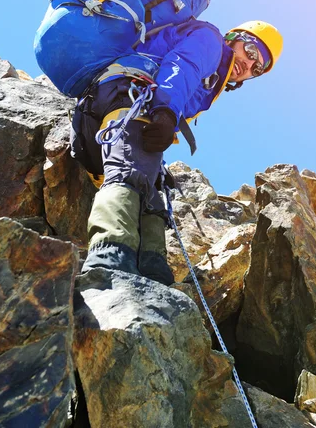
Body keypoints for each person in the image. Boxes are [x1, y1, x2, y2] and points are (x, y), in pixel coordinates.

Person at [71, 19, 283, 285]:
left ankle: (155, 274)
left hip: (118, 107)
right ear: (233, 37)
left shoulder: (214, 76)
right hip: (127, 97)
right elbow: (183, 65)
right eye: (251, 53)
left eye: (257, 68)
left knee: (152, 199)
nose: (248, 66)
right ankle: (108, 262)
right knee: (129, 176)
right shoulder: (211, 41)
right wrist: (165, 112)